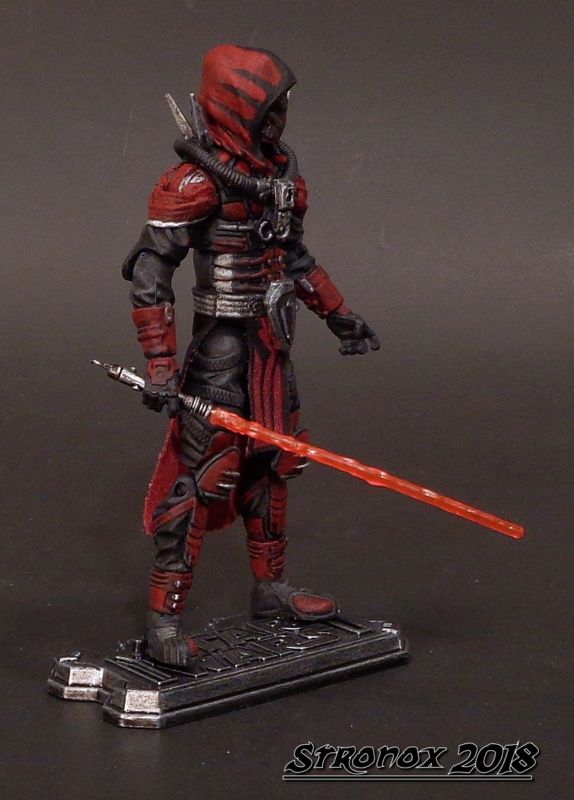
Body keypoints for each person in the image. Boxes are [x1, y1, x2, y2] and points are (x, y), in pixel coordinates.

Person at [122, 44, 379, 668]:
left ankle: (270, 588)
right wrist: (160, 362)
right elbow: (150, 272)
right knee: (202, 478)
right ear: (240, 106)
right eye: (271, 106)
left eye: (282, 106)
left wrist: (339, 314)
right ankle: (164, 618)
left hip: (270, 346)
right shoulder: (196, 180)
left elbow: (295, 259)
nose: (281, 118)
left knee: (273, 464)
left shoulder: (279, 179)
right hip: (220, 351)